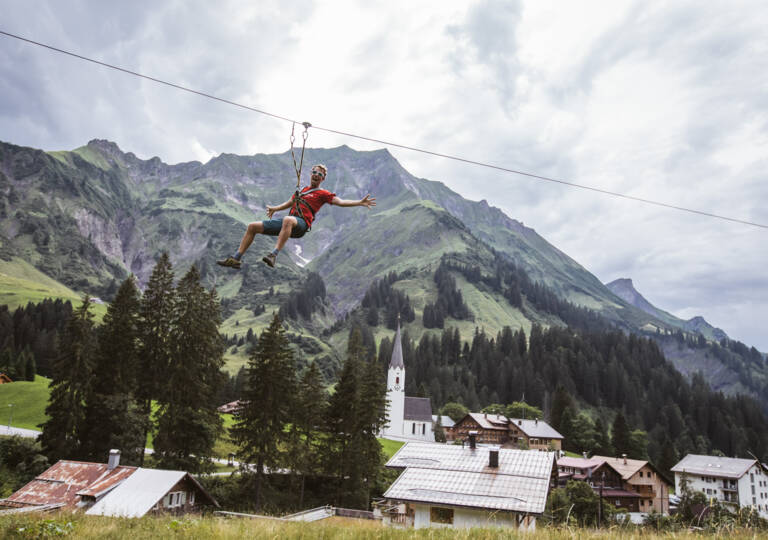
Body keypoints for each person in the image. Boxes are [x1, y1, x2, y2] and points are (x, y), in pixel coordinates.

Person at [217, 164, 376, 269]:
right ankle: (236, 258)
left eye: (319, 174)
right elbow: (290, 202)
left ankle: (273, 255)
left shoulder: (323, 194)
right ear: (310, 174)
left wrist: (359, 202)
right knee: (252, 226)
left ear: (323, 178)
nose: (316, 175)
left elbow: (340, 202)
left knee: (287, 220)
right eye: (314, 172)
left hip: (301, 224)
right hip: (289, 223)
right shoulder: (303, 190)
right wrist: (274, 208)